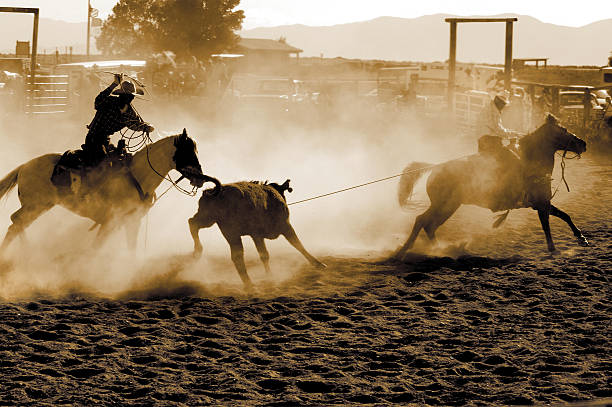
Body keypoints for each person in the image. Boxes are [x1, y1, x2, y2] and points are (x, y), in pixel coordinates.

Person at [82, 73, 154, 167]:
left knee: (121, 158)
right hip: (93, 138)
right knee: (103, 162)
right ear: (121, 95)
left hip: (106, 139)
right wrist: (114, 84)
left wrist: (146, 127)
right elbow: (98, 101)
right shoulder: (109, 101)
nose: (130, 98)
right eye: (128, 96)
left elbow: (134, 124)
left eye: (131, 96)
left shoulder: (129, 111)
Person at [475, 94, 524, 211]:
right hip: (489, 141)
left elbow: (498, 128)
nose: (503, 107)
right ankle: (506, 192)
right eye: (503, 104)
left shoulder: (491, 109)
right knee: (514, 161)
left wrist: (512, 132)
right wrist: (513, 134)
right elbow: (497, 129)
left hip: (487, 140)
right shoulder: (492, 111)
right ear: (498, 103)